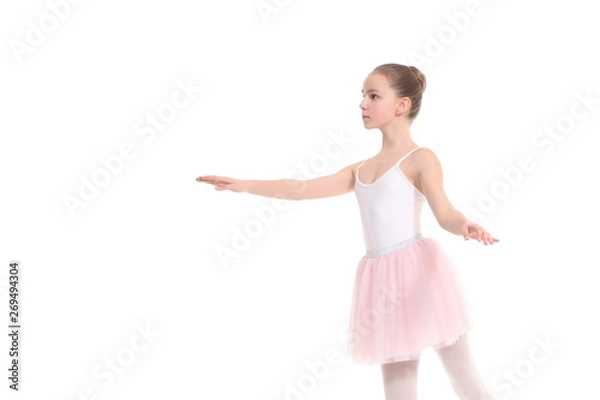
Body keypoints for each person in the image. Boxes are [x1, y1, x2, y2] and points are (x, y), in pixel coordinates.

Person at [196, 63, 499, 399]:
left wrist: (466, 225)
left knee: (463, 376)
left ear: (402, 105)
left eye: (373, 96)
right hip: (381, 278)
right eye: (363, 96)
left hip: (420, 272)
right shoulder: (361, 169)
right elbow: (301, 188)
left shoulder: (420, 158)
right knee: (398, 388)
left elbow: (445, 213)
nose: (363, 104)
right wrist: (246, 185)